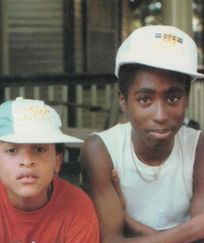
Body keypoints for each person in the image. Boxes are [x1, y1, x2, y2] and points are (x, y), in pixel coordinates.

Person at [80, 25, 204, 242]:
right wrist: (192, 230)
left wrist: (130, 222)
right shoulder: (101, 150)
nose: (160, 115)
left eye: (173, 98)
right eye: (145, 99)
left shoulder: (199, 147)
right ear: (123, 100)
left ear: (187, 97)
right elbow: (111, 241)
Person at [0, 97, 99, 243]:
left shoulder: (77, 205)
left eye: (39, 149)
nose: (27, 161)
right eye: (12, 150)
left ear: (57, 161)